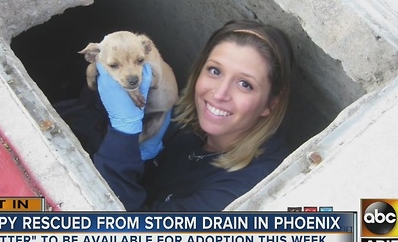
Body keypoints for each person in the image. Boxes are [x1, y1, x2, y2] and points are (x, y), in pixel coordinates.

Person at [93, 19, 294, 211]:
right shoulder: (190, 119)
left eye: (245, 84)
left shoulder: (244, 191)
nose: (220, 93)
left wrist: (123, 132)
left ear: (270, 104)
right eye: (215, 71)